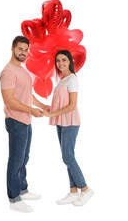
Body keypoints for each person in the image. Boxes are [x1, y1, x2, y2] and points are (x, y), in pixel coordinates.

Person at [0, 36, 50, 213]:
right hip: (15, 121)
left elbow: (28, 94)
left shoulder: (22, 70)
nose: (23, 53)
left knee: (24, 158)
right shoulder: (8, 72)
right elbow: (8, 100)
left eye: (26, 50)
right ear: (12, 49)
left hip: (26, 121)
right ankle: (14, 199)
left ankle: (22, 189)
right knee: (16, 160)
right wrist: (30, 110)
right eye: (20, 49)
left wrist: (42, 105)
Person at [43, 50, 94, 206]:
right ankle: (73, 191)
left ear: (70, 61)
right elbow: (58, 104)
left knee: (68, 157)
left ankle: (85, 189)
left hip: (70, 122)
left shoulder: (72, 79)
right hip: (60, 121)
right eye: (58, 61)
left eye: (64, 60)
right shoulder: (61, 79)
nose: (60, 63)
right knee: (67, 157)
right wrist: (47, 110)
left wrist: (51, 114)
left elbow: (72, 106)